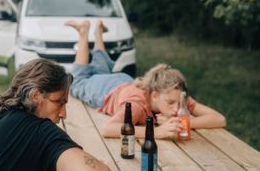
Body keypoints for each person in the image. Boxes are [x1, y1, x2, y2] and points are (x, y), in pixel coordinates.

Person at [66, 20, 226, 139]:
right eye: (170, 103)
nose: (177, 109)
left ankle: (99, 32)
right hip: (106, 90)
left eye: (179, 104)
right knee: (78, 81)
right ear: (154, 95)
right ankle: (83, 33)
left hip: (125, 82)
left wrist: (184, 122)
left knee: (102, 69)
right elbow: (108, 129)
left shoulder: (175, 96)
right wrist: (156, 132)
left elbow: (220, 119)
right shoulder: (137, 105)